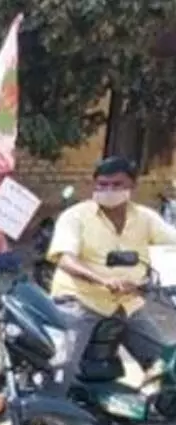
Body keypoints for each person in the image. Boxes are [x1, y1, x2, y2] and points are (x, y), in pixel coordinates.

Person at [47, 156, 176, 389]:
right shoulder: (76, 216)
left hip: (128, 304)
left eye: (117, 185)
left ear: (132, 186)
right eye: (102, 185)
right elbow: (65, 258)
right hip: (80, 301)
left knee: (166, 365)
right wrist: (104, 280)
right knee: (60, 368)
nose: (109, 190)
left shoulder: (146, 218)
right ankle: (43, 419)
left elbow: (171, 245)